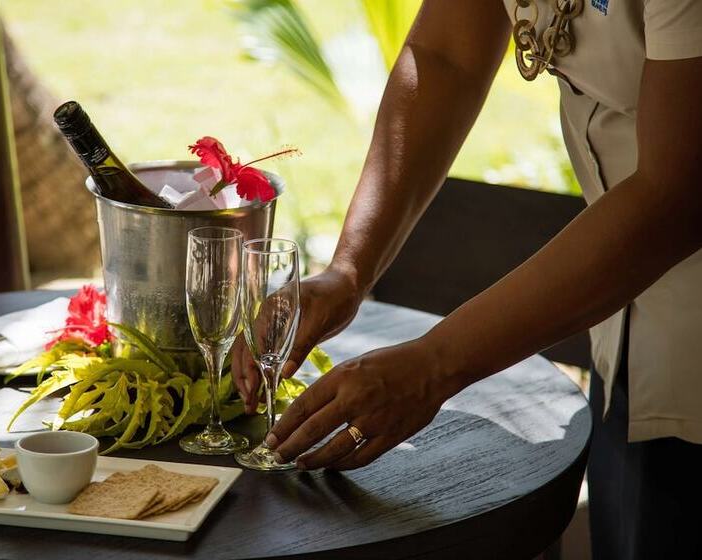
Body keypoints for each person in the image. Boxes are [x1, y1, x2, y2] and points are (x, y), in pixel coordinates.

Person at [232, 1, 702, 558]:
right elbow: (444, 55)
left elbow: (676, 195)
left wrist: (435, 364)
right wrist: (348, 270)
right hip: (630, 334)